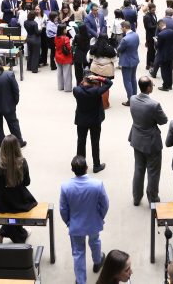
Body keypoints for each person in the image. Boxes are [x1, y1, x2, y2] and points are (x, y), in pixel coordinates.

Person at [60, 155, 110, 284]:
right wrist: (100, 216)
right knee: (95, 241)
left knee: (78, 252)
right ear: (87, 168)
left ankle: (81, 281)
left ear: (72, 169)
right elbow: (105, 204)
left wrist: (68, 221)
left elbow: (63, 209)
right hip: (93, 222)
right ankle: (97, 261)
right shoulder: (97, 184)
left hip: (75, 225)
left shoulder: (66, 187)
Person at [0, 135, 37, 243]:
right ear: (17, 147)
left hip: (1, 202)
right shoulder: (22, 162)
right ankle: (19, 234)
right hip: (19, 201)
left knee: (10, 214)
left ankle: (3, 231)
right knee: (17, 215)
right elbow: (27, 182)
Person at [129, 77, 168, 205]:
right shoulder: (154, 105)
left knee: (138, 169)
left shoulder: (133, 99)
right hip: (151, 142)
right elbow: (163, 120)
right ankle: (153, 198)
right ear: (149, 88)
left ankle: (136, 197)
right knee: (153, 171)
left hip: (137, 139)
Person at [73, 75, 113, 173]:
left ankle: (80, 165)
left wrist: (84, 81)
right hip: (95, 120)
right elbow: (109, 83)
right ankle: (96, 165)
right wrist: (98, 77)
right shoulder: (97, 91)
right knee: (95, 142)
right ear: (94, 82)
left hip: (81, 121)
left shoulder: (76, 90)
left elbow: (80, 85)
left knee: (81, 142)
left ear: (83, 81)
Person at [89, 35, 117, 109]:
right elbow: (114, 60)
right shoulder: (110, 49)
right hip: (107, 70)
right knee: (105, 87)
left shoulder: (93, 47)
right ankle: (105, 105)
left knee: (95, 86)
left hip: (95, 69)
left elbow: (90, 57)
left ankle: (95, 104)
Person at [117, 21, 140, 105]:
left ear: (124, 27)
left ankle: (130, 100)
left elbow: (119, 49)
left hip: (127, 61)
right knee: (133, 78)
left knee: (127, 81)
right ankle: (135, 97)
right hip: (135, 59)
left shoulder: (125, 39)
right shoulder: (136, 35)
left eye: (121, 27)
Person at [154, 20, 173, 91]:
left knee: (164, 71)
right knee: (170, 70)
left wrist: (155, 41)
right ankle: (170, 85)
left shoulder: (161, 34)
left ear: (159, 26)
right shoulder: (172, 31)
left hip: (163, 55)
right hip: (171, 53)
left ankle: (165, 86)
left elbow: (158, 46)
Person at [56, 24, 74, 92]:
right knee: (67, 73)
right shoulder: (66, 38)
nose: (66, 30)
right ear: (62, 30)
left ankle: (60, 87)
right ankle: (67, 88)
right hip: (66, 57)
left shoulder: (56, 37)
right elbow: (69, 48)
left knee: (59, 72)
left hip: (58, 55)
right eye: (65, 29)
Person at [143, 3, 158, 70]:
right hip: (150, 36)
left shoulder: (153, 14)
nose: (154, 11)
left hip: (154, 35)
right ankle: (148, 64)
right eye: (152, 10)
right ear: (149, 9)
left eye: (154, 10)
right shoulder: (147, 17)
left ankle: (153, 62)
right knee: (150, 50)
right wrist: (158, 26)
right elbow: (149, 27)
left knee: (153, 50)